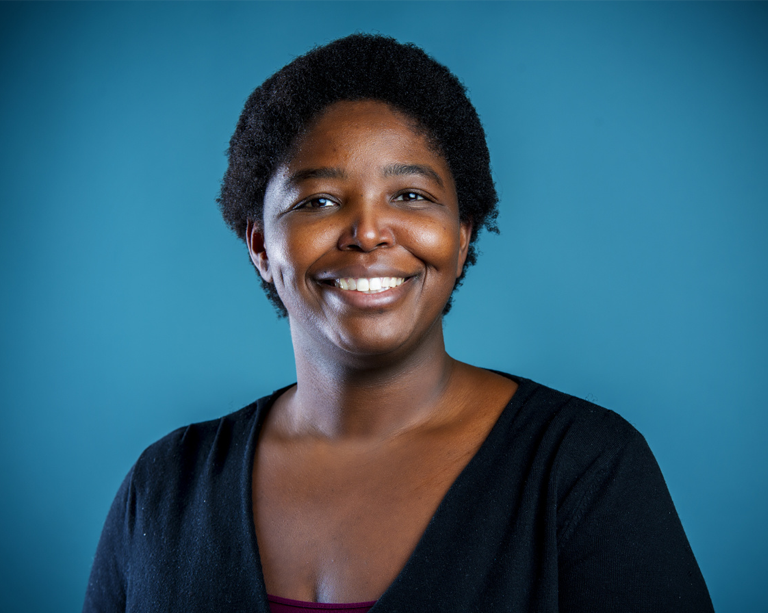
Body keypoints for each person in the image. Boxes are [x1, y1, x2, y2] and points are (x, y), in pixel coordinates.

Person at [84, 34, 714, 612]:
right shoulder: (163, 489)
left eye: (410, 195)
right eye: (319, 201)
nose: (367, 233)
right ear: (259, 246)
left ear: (463, 234)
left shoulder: (581, 470)